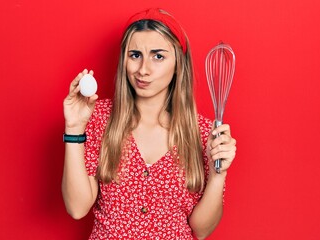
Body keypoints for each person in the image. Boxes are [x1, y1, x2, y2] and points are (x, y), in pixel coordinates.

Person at [62, 8, 236, 240]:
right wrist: (74, 129)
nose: (143, 69)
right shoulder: (100, 118)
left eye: (158, 56)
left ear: (178, 64)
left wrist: (218, 176)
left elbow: (202, 230)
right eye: (135, 55)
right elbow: (77, 207)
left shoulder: (204, 133)